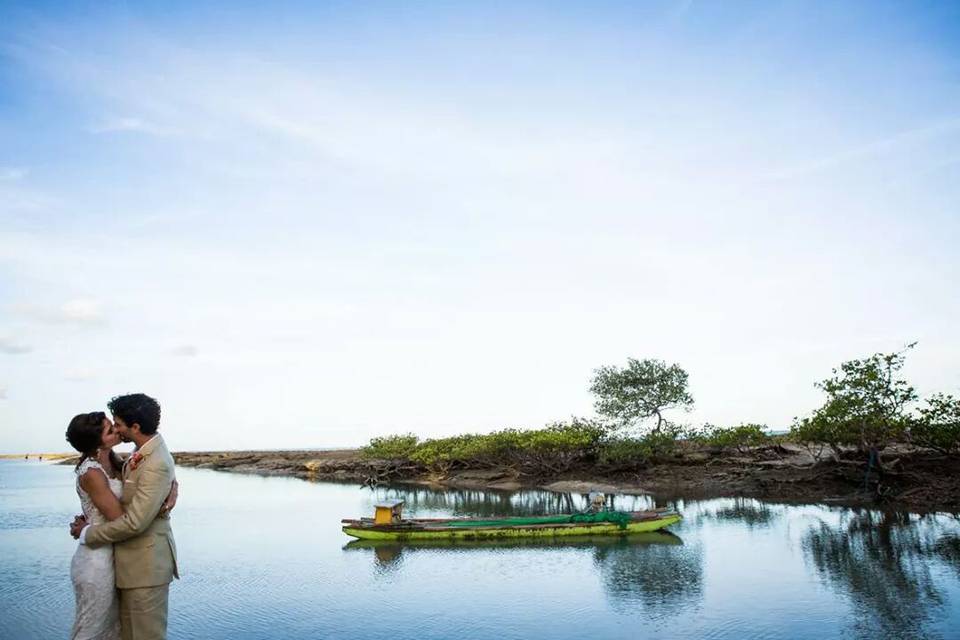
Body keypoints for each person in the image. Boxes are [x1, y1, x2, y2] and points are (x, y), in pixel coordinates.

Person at [69, 394, 179, 640]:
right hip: (104, 561)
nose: (117, 431)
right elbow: (127, 513)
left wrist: (87, 532)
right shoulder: (105, 467)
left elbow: (134, 519)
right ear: (98, 442)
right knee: (95, 628)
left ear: (135, 427)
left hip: (141, 564)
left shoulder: (137, 460)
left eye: (117, 424)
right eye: (111, 428)